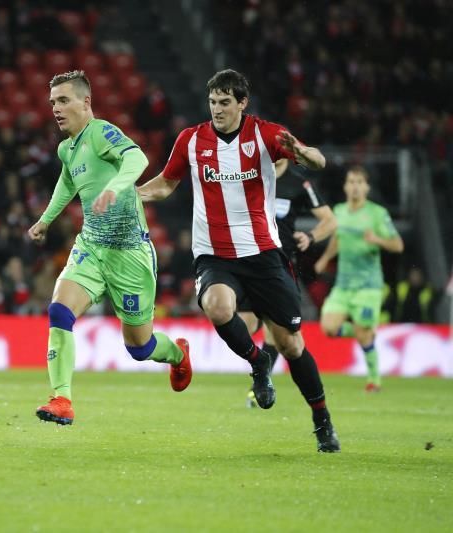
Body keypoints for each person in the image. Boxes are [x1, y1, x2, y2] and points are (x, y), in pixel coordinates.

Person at [137, 69, 340, 452]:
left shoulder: (265, 134)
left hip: (263, 255)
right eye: (213, 102)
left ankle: (322, 420)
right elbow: (165, 183)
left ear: (242, 103)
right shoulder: (191, 140)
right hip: (214, 256)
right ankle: (259, 362)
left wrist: (302, 154)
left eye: (225, 102)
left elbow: (318, 161)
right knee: (216, 306)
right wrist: (130, 195)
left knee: (292, 345)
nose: (217, 109)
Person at [27, 70, 192, 426]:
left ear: (86, 102)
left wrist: (115, 188)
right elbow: (66, 183)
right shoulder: (66, 148)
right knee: (59, 312)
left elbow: (138, 160)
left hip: (130, 254)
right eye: (53, 102)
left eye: (64, 100)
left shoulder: (101, 132)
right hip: (91, 247)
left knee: (140, 347)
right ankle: (61, 400)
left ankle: (178, 354)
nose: (56, 108)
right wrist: (45, 220)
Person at [241, 161, 337, 407]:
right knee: (247, 325)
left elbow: (329, 220)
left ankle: (260, 382)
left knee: (280, 330)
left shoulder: (299, 183)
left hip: (281, 265)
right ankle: (261, 373)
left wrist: (311, 236)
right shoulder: (247, 174)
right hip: (247, 261)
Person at [314, 166, 404, 392]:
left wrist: (377, 240)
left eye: (359, 182)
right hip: (343, 285)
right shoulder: (339, 211)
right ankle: (364, 331)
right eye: (351, 182)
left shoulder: (377, 213)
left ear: (367, 187)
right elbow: (337, 239)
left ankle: (374, 380)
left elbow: (398, 245)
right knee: (328, 328)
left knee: (363, 332)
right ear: (345, 186)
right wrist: (325, 258)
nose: (354, 186)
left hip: (368, 286)